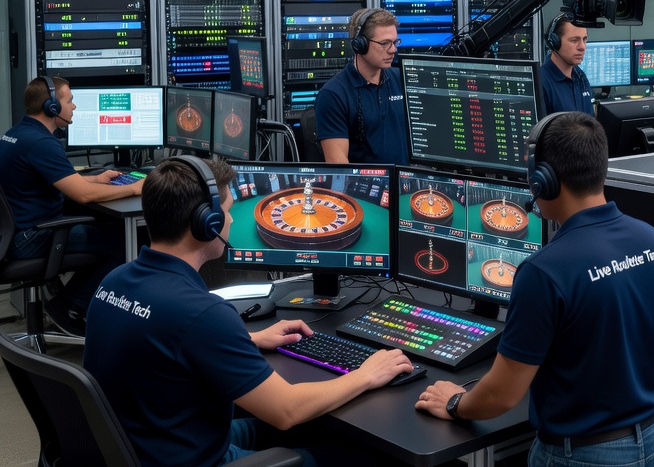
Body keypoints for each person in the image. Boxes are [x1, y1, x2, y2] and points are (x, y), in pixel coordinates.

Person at [84, 156, 414, 467]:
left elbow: (163, 340)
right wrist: (367, 373)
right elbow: (287, 410)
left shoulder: (114, 283)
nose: (229, 219)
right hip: (200, 457)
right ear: (205, 223)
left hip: (155, 443)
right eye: (226, 212)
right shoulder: (202, 313)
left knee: (324, 428)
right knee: (370, 458)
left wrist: (248, 338)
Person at [415, 111, 654, 467]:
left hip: (584, 455)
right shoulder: (653, 242)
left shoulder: (544, 272)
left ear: (544, 181)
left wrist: (456, 402)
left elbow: (503, 396)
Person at [0, 75, 136, 336]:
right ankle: (72, 307)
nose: (74, 106)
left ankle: (66, 300)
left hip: (13, 235)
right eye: (69, 100)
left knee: (106, 228)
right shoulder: (42, 143)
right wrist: (136, 187)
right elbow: (83, 195)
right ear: (52, 107)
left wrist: (95, 178)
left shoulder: (17, 134)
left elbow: (53, 181)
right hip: (31, 238)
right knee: (124, 241)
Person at [315, 7, 409, 164]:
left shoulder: (401, 79)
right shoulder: (333, 95)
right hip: (365, 187)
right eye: (385, 43)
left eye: (395, 42)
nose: (393, 50)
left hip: (404, 184)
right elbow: (338, 165)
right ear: (360, 45)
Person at [538, 13, 594, 116]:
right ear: (555, 42)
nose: (582, 47)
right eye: (574, 40)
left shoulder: (581, 77)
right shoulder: (542, 82)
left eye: (584, 39)